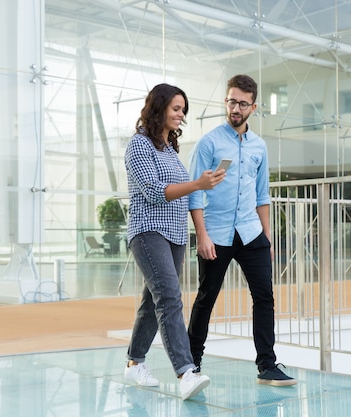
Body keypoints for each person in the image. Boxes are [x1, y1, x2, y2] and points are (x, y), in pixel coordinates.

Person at [187, 74, 297, 386]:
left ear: (253, 106)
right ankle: (190, 364)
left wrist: (268, 236)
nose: (236, 108)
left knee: (265, 297)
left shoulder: (259, 147)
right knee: (206, 298)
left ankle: (267, 365)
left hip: (251, 233)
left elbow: (263, 195)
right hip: (217, 233)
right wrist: (202, 236)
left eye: (243, 103)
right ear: (226, 101)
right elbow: (195, 194)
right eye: (232, 101)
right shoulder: (209, 143)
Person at [124, 83, 226, 400]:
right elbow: (154, 192)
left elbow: (182, 194)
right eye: (176, 108)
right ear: (159, 107)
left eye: (183, 110)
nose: (181, 115)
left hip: (174, 235)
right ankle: (185, 371)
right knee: (169, 299)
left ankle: (133, 363)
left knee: (152, 304)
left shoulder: (169, 149)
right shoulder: (138, 145)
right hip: (147, 230)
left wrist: (202, 185)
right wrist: (197, 183)